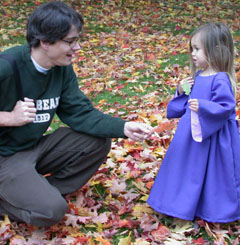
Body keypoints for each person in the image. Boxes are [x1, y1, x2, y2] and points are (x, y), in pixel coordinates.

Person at [0, 1, 152, 227]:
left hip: (32, 148)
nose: (77, 47)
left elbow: (79, 113)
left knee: (97, 142)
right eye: (70, 41)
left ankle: (41, 192)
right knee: (52, 211)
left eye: (77, 40)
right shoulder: (7, 66)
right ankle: (27, 198)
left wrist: (124, 127)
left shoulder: (60, 68)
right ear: (45, 42)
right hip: (4, 157)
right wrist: (10, 118)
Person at [147, 22, 240, 223]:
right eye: (192, 49)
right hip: (189, 135)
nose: (193, 54)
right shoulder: (198, 76)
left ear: (215, 50)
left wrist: (205, 107)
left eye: (197, 49)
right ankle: (174, 204)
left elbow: (226, 106)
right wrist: (181, 92)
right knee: (183, 168)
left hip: (212, 138)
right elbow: (181, 106)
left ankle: (212, 209)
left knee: (210, 173)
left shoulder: (220, 79)